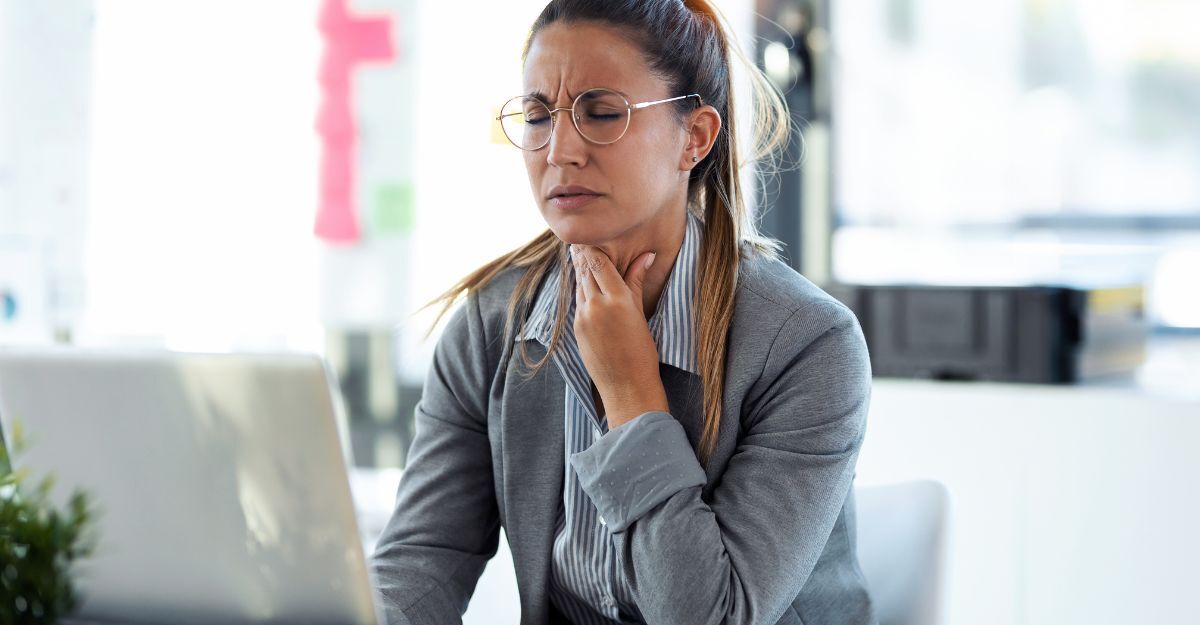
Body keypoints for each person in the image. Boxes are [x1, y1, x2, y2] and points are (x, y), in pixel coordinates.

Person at [370, 1, 875, 623]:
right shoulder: (492, 323)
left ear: (695, 136)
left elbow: (709, 616)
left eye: (602, 113)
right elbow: (425, 556)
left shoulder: (806, 343)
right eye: (536, 116)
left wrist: (631, 394)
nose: (559, 151)